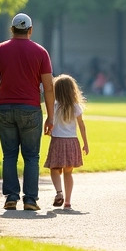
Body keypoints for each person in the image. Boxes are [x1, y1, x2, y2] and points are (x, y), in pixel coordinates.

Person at [0, 13, 54, 210]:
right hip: (31, 108)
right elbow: (48, 87)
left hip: (5, 107)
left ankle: (11, 197)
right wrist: (50, 115)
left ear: (12, 29)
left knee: (10, 155)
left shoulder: (0, 50)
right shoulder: (41, 52)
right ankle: (30, 199)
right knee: (31, 156)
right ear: (30, 30)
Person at [44, 74, 89, 210]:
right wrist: (85, 143)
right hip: (72, 142)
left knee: (54, 169)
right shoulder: (76, 106)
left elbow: (50, 122)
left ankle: (59, 192)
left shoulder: (54, 106)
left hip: (57, 141)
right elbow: (81, 125)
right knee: (68, 173)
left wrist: (47, 131)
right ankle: (68, 201)